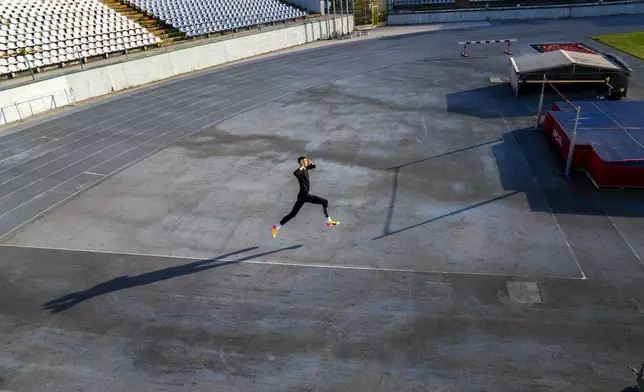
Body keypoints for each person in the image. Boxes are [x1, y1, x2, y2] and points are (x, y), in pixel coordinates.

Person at [272, 156, 339, 238]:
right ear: (301, 162)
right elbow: (295, 173)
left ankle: (276, 227)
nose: (306, 162)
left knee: (293, 214)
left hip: (301, 196)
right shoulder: (300, 171)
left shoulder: (306, 168)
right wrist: (302, 166)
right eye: (304, 161)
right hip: (305, 195)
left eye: (306, 161)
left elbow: (314, 165)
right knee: (325, 202)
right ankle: (328, 221)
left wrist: (309, 162)